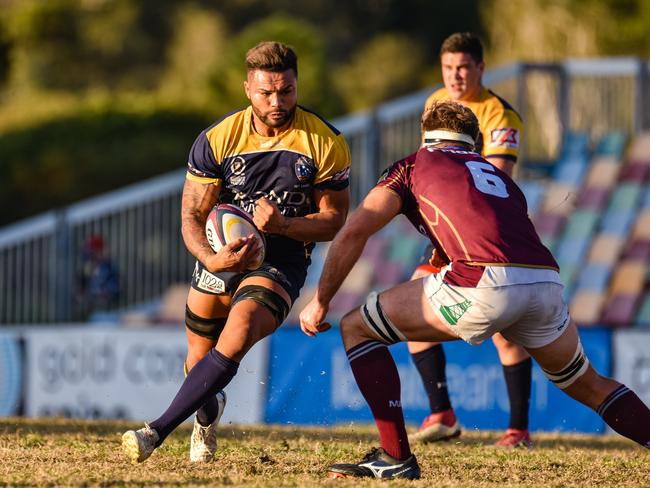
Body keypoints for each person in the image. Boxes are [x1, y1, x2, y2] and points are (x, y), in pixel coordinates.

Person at [299, 101, 650, 480]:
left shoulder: (415, 163)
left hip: (485, 283)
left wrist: (320, 300)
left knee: (357, 327)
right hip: (545, 282)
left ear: (426, 134)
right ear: (474, 141)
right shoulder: (497, 176)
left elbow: (355, 230)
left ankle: (395, 456)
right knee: (588, 383)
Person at [121, 41, 351, 464]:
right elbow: (191, 214)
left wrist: (282, 226)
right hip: (221, 254)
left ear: (297, 85)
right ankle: (208, 417)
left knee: (240, 329)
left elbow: (335, 220)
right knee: (197, 362)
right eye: (266, 92)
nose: (277, 102)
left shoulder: (325, 141)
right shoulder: (218, 139)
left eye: (286, 91)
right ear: (248, 88)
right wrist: (211, 259)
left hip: (282, 259)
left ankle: (155, 432)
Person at [408, 32, 532, 447]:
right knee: (414, 307)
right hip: (447, 234)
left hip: (489, 234)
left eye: (463, 67)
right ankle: (441, 413)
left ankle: (518, 430)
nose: (455, 76)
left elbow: (495, 180)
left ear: (481, 67)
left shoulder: (500, 114)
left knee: (507, 333)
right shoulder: (435, 104)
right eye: (448, 68)